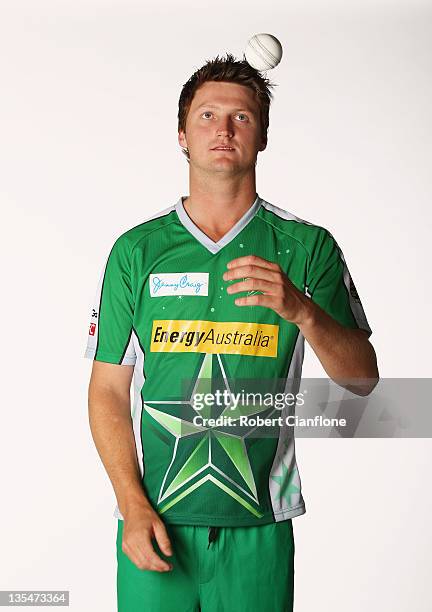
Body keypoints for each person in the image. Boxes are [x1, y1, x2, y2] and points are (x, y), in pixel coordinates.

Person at [84, 53, 379, 612]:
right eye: (207, 115)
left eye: (241, 117)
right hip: (155, 521)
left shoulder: (307, 246)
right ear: (182, 135)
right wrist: (131, 503)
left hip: (259, 522)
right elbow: (106, 390)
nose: (222, 129)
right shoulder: (136, 251)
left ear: (262, 135)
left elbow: (363, 382)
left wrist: (305, 311)